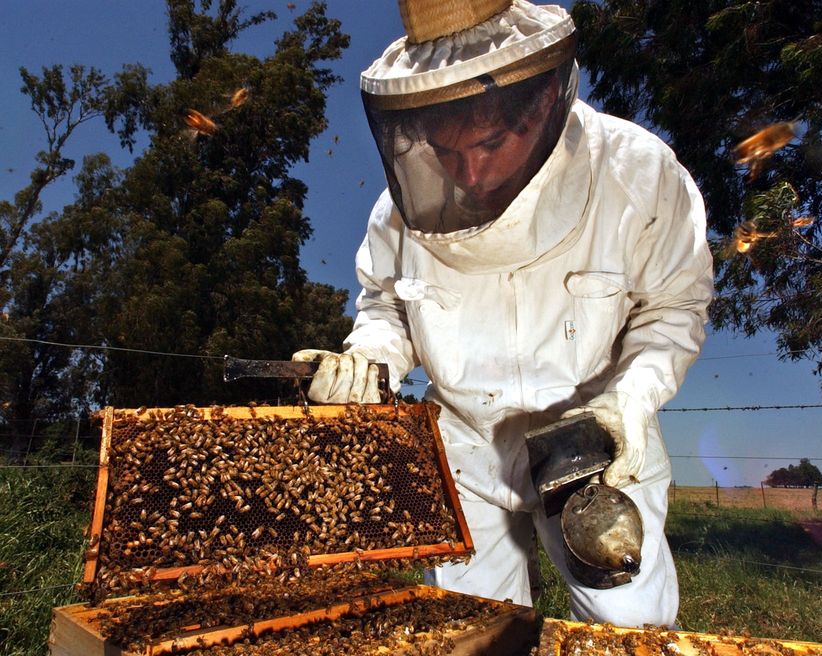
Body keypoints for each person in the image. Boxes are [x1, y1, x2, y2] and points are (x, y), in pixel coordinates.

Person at [293, 0, 712, 627]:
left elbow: (674, 309)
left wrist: (629, 403)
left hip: (588, 439)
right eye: (444, 149)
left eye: (489, 142)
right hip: (463, 449)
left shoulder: (637, 175)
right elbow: (386, 307)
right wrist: (369, 362)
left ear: (541, 104)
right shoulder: (398, 213)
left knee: (630, 631)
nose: (468, 171)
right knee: (475, 633)